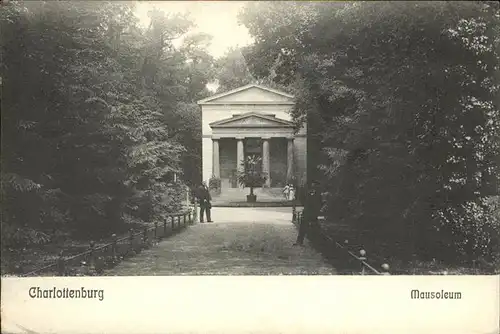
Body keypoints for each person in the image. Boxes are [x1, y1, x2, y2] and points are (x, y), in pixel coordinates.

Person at [294, 180, 322, 246]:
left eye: (315, 185)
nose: (313, 186)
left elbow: (319, 203)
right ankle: (300, 241)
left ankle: (314, 242)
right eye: (313, 185)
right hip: (308, 211)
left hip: (312, 212)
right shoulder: (310, 193)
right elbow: (303, 200)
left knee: (313, 227)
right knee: (303, 226)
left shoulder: (317, 194)